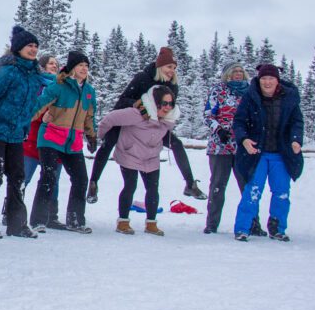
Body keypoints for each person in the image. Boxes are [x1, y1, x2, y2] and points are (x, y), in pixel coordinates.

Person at [87, 47, 207, 203]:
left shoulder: (172, 86)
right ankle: (94, 183)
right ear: (159, 66)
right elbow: (123, 100)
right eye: (169, 67)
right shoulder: (143, 78)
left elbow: (168, 110)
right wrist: (139, 105)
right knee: (109, 143)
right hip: (129, 119)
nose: (172, 71)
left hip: (151, 126)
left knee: (176, 144)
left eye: (174, 68)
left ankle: (190, 184)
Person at [0, 26, 47, 239]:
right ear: (18, 48)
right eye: (29, 46)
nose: (33, 49)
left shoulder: (34, 75)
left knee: (17, 178)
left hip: (15, 134)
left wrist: (24, 127)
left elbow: (30, 104)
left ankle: (17, 224)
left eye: (35, 46)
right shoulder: (7, 71)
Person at [232, 64, 304, 242]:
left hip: (281, 153)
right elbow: (239, 122)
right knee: (252, 191)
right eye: (264, 78)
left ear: (277, 80)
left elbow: (297, 122)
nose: (267, 82)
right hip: (257, 153)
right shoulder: (250, 96)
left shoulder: (289, 98)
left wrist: (296, 140)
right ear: (259, 79)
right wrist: (244, 140)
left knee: (281, 192)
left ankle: (277, 228)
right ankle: (243, 228)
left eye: (271, 78)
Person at [31, 51, 98, 233]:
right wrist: (24, 123)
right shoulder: (59, 86)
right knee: (48, 177)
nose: (84, 69)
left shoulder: (89, 92)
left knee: (81, 179)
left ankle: (75, 220)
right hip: (51, 138)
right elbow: (39, 105)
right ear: (72, 68)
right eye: (80, 65)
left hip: (73, 141)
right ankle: (38, 220)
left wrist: (92, 136)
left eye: (86, 66)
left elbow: (89, 117)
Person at [97, 86, 178, 236]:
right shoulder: (136, 114)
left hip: (151, 156)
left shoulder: (166, 119)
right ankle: (123, 222)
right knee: (130, 185)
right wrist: (102, 136)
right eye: (164, 103)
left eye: (170, 104)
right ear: (155, 102)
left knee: (153, 189)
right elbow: (109, 119)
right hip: (129, 153)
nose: (167, 107)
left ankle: (151, 223)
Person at [202, 63, 264, 235]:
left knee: (247, 185)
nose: (237, 74)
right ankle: (212, 224)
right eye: (234, 71)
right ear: (227, 75)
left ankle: (253, 224)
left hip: (243, 145)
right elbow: (208, 114)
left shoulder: (251, 92)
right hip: (220, 145)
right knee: (217, 185)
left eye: (240, 71)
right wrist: (218, 129)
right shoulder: (218, 90)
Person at [23, 53, 62, 231]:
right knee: (24, 178)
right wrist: (42, 118)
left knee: (52, 181)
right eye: (51, 63)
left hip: (55, 141)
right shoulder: (37, 84)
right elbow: (31, 109)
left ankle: (50, 216)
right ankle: (12, 212)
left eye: (56, 64)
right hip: (33, 141)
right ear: (43, 66)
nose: (54, 66)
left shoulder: (63, 86)